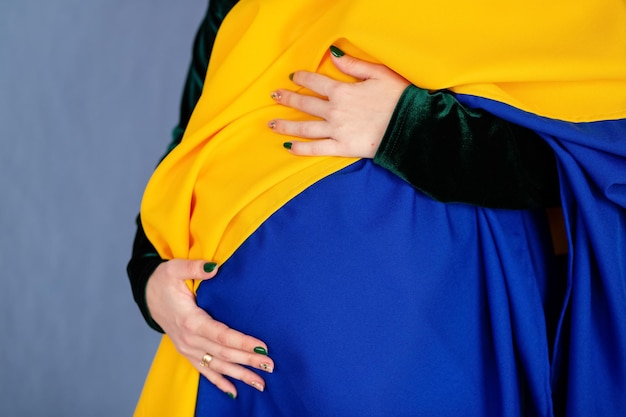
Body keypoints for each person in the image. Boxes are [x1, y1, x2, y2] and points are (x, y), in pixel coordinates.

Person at [128, 1, 626, 416]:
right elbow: (194, 140)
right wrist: (151, 279)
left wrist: (408, 128)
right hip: (230, 362)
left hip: (422, 342)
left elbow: (596, 153)